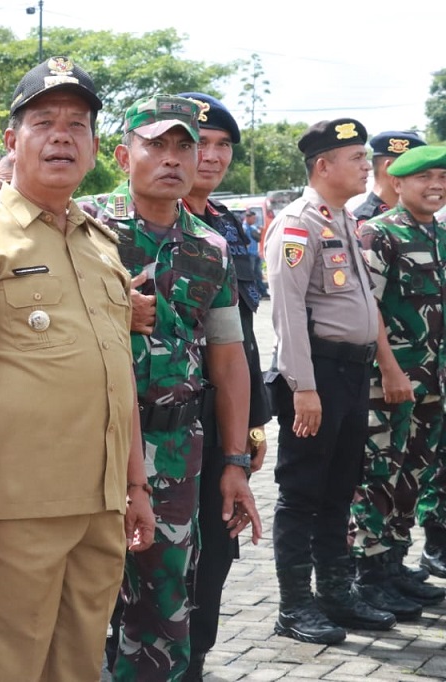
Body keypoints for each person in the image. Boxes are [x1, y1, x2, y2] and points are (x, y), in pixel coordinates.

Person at [0, 55, 154, 682]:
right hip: (12, 509)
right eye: (43, 121)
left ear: (95, 145)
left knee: (78, 667)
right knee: (3, 671)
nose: (61, 136)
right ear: (11, 141)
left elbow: (118, 375)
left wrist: (134, 486)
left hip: (100, 504)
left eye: (77, 125)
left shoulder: (100, 245)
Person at [80, 94, 259, 681]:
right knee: (76, 602)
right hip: (86, 447)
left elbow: (227, 358)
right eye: (157, 144)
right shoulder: (81, 228)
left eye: (187, 146)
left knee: (165, 606)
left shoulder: (209, 246)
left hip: (178, 450)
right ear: (121, 152)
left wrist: (235, 460)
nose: (175, 158)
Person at [266, 118, 396, 645]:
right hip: (316, 373)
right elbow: (288, 310)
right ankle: (295, 606)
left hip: (350, 370)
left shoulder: (341, 220)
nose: (368, 166)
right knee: (301, 493)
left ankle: (336, 594)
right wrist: (303, 386)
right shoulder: (297, 223)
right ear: (324, 166)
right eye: (357, 158)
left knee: (340, 487)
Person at [174, 92, 273, 681]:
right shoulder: (115, 226)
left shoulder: (227, 228)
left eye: (219, 147)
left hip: (220, 426)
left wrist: (252, 423)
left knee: (214, 553)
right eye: (195, 144)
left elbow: (242, 342)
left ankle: (196, 661)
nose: (208, 157)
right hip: (154, 427)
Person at [349, 144, 446, 619]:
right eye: (425, 178)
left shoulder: (441, 236)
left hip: (433, 384)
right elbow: (368, 311)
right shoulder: (378, 234)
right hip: (389, 383)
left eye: (443, 178)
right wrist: (389, 368)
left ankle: (393, 568)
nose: (436, 186)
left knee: (415, 477)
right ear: (398, 182)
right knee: (378, 478)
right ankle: (367, 579)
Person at [350, 130, 426, 223]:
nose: (423, 178)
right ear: (390, 169)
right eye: (414, 169)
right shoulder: (366, 222)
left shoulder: (418, 216)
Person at [244, 210, 268, 298]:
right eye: (253, 218)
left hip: (255, 253)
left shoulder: (253, 228)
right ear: (247, 218)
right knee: (251, 275)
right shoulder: (244, 228)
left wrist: (261, 232)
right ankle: (254, 293)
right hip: (249, 254)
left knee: (258, 274)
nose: (254, 220)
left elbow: (258, 239)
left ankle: (262, 291)